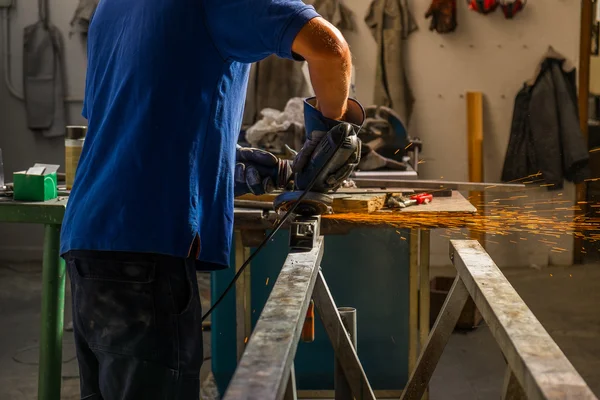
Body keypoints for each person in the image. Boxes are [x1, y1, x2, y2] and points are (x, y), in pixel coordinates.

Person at [60, 0, 356, 398]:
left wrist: (220, 166)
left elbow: (133, 123)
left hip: (88, 242)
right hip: (145, 251)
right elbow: (330, 49)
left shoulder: (110, 7)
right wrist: (328, 134)